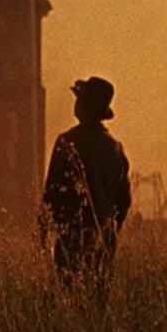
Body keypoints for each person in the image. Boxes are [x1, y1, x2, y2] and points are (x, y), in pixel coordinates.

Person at [42, 76, 131, 291]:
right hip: (104, 238)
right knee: (97, 300)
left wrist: (44, 230)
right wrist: (111, 230)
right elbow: (124, 201)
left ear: (82, 106)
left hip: (71, 236)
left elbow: (51, 191)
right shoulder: (115, 148)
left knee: (68, 294)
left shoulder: (67, 142)